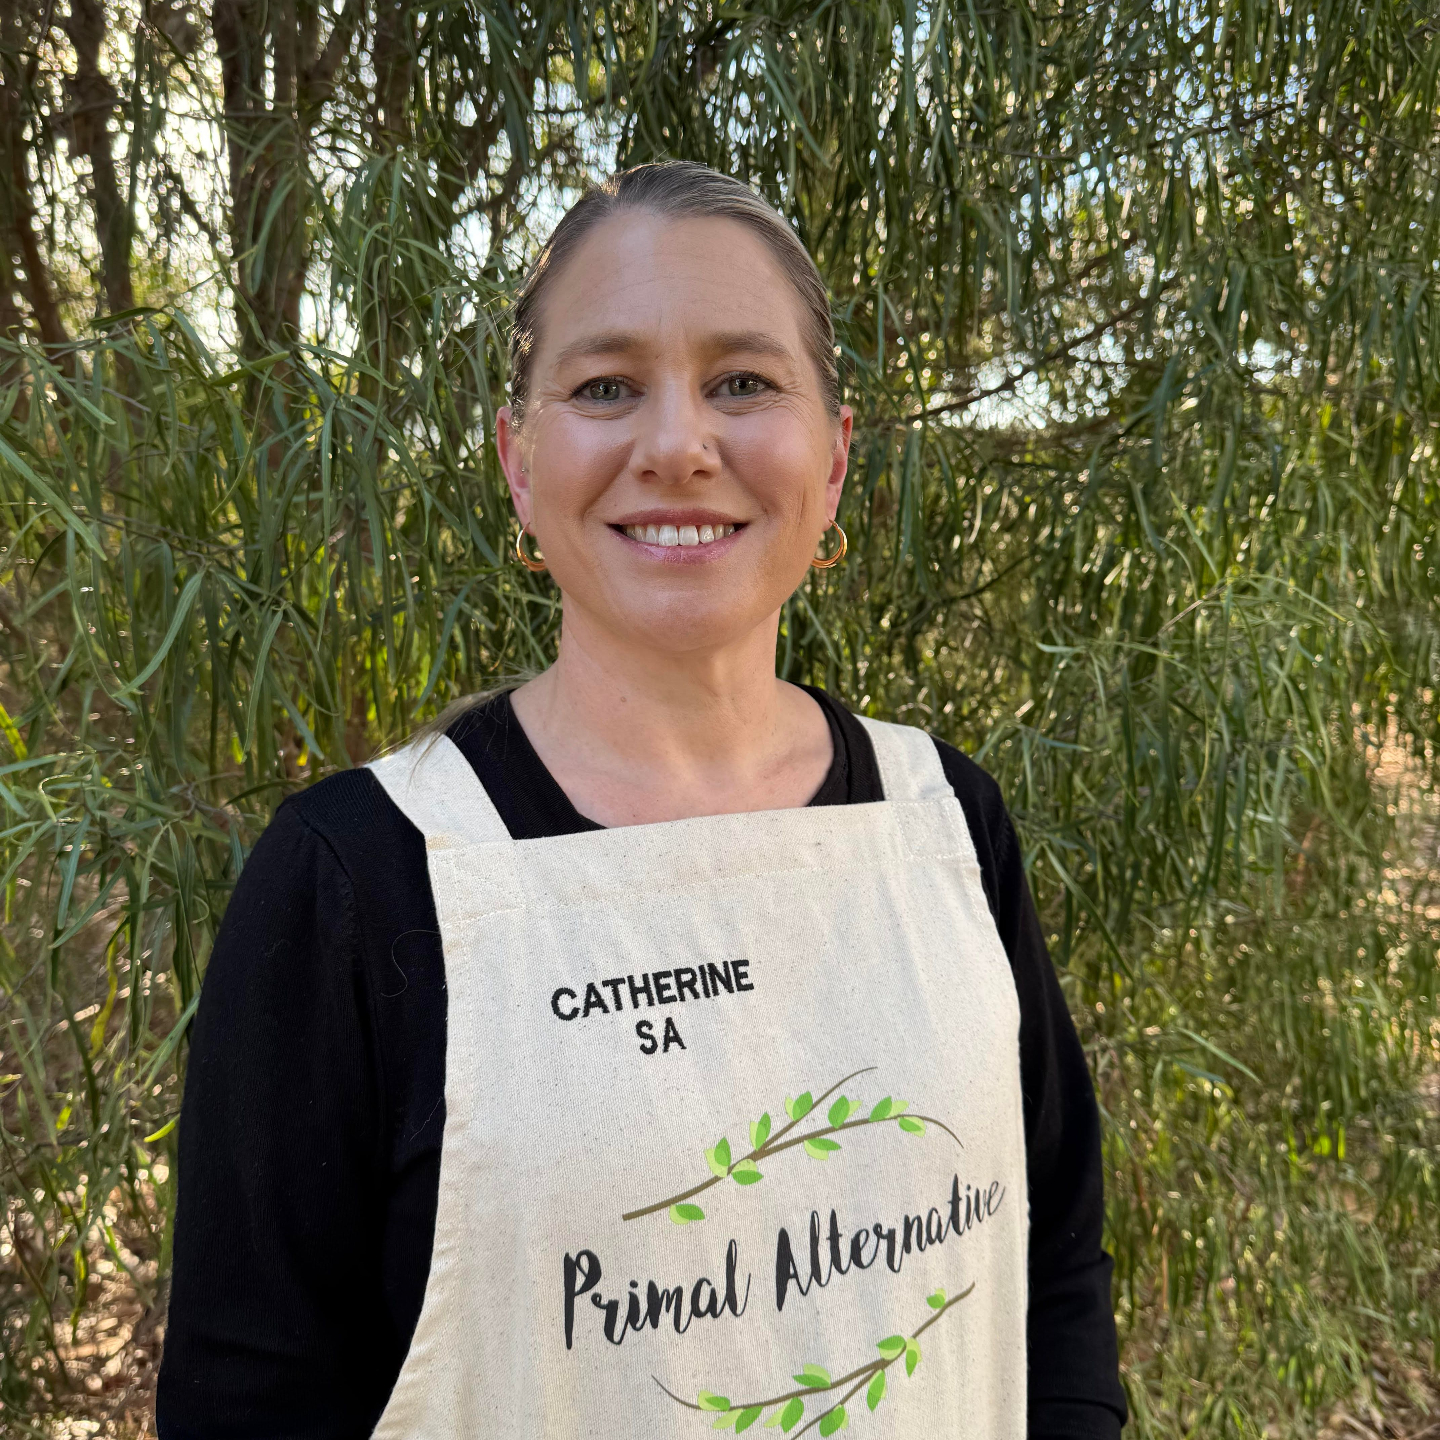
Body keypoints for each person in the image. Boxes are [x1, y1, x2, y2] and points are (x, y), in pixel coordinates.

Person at [157, 161, 1126, 1440]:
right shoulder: (356, 881)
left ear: (835, 458)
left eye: (745, 382)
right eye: (607, 387)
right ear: (518, 462)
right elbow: (248, 1401)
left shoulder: (946, 823)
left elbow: (1052, 1270)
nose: (677, 446)